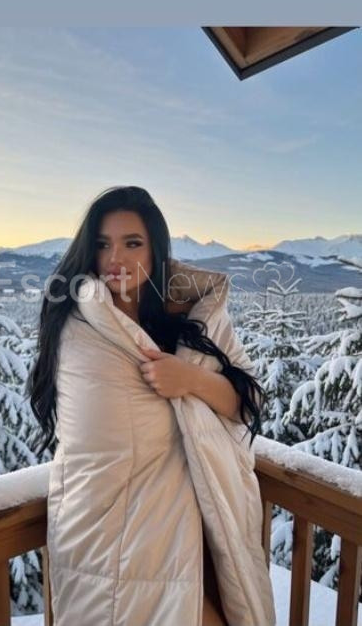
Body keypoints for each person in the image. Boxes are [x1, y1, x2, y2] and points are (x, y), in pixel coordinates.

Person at [28, 185, 267, 626]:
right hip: (121, 537)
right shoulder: (80, 329)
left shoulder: (197, 317)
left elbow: (247, 403)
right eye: (103, 244)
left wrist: (191, 379)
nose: (115, 258)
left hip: (203, 527)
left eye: (132, 243)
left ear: (156, 250)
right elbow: (94, 452)